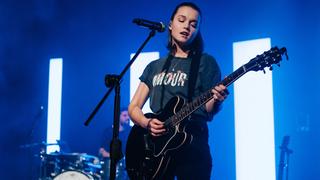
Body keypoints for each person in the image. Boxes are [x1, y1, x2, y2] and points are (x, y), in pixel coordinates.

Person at [128, 2, 228, 179]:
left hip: (192, 144)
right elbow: (134, 107)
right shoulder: (154, 66)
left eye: (193, 24)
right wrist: (146, 123)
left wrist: (217, 100)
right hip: (155, 146)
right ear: (170, 24)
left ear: (197, 31)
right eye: (182, 20)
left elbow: (209, 112)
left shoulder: (206, 63)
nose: (187, 26)